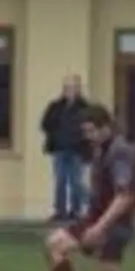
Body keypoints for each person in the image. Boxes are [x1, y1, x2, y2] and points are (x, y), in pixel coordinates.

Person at [40, 104, 135, 271]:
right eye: (86, 131)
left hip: (115, 226)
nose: (88, 136)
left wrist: (100, 227)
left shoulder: (120, 152)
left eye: (92, 130)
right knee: (53, 245)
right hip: (93, 218)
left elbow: (124, 197)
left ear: (106, 126)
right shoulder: (99, 149)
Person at [39, 76, 89, 223]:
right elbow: (45, 124)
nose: (70, 91)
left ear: (79, 89)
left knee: (76, 181)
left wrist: (80, 138)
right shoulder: (55, 106)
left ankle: (76, 211)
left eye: (73, 88)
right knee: (60, 180)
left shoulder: (85, 108)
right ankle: (60, 211)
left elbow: (89, 128)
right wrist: (55, 134)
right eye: (67, 88)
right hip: (59, 149)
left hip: (77, 150)